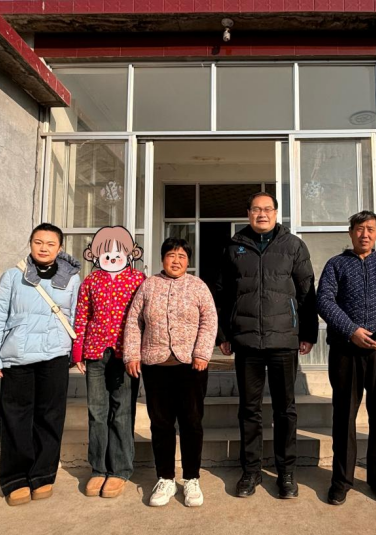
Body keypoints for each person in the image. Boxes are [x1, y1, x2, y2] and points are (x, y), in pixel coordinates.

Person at [215, 192, 318, 499]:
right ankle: (251, 472)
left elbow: (306, 292)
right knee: (249, 410)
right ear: (248, 213)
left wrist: (308, 333)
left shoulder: (294, 246)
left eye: (268, 209)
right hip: (246, 341)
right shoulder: (233, 247)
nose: (262, 214)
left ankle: (286, 473)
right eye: (256, 209)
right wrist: (223, 334)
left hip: (283, 340)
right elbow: (221, 293)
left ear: (276, 213)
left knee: (285, 410)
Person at [316, 211, 376, 506]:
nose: (364, 234)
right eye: (359, 228)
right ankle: (341, 480)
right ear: (350, 233)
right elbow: (324, 300)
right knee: (344, 415)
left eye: (370, 229)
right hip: (346, 351)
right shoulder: (336, 264)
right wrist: (351, 330)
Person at [0, 223, 81, 506]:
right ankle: (15, 479)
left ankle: (43, 474)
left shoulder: (72, 278)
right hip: (18, 357)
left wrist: (76, 354)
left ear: (60, 248)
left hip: (55, 355)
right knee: (16, 417)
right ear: (30, 244)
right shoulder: (13, 276)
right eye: (38, 242)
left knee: (50, 416)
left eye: (50, 244)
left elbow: (76, 317)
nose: (44, 248)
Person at [124, 237, 218, 507]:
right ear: (162, 258)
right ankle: (165, 478)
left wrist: (202, 353)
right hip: (155, 366)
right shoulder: (148, 285)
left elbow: (209, 320)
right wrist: (132, 354)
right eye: (171, 255)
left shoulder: (198, 286)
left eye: (182, 256)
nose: (176, 261)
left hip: (191, 366)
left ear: (188, 261)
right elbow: (134, 321)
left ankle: (191, 478)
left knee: (191, 422)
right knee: (161, 424)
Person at [71, 226, 145, 499]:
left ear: (130, 253)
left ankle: (120, 469)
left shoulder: (139, 280)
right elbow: (81, 315)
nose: (112, 257)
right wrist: (77, 352)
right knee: (97, 412)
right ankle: (98, 468)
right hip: (95, 352)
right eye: (106, 253)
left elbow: (145, 317)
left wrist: (141, 352)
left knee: (122, 412)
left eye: (118, 252)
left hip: (125, 354)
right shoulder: (90, 281)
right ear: (94, 255)